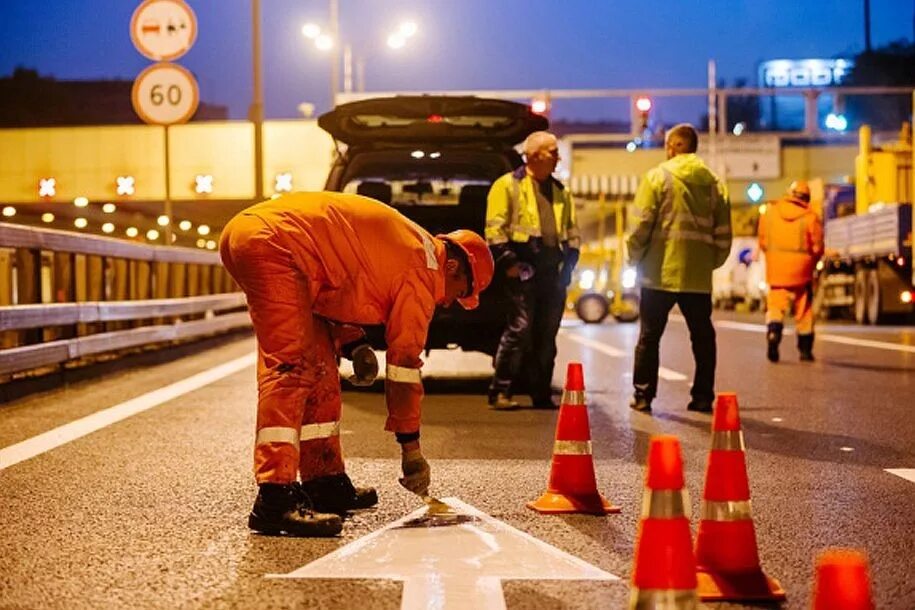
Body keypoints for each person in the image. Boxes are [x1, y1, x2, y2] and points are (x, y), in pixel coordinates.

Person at [219, 192, 494, 537]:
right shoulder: (424, 271)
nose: (451, 302)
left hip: (275, 240)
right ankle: (275, 499)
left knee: (320, 372)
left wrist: (353, 342)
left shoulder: (412, 248)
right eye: (460, 292)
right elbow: (404, 366)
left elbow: (337, 282)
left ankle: (324, 481)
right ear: (454, 267)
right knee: (291, 368)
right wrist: (411, 451)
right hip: (275, 243)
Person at [627, 123, 732, 414]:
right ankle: (702, 397)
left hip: (658, 272)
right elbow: (724, 233)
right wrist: (710, 262)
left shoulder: (656, 178)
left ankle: (643, 395)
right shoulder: (714, 183)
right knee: (702, 337)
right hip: (697, 276)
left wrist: (633, 257)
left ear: (673, 146)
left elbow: (641, 224)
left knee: (649, 336)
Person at [485, 131, 580, 410]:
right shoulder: (507, 186)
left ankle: (541, 393)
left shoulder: (560, 190)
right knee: (520, 329)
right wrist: (509, 263)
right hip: (523, 268)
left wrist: (569, 264)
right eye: (553, 151)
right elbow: (494, 229)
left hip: (552, 271)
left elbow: (572, 232)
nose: (557, 156)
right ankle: (500, 391)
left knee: (546, 335)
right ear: (535, 155)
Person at [758, 180, 824, 362]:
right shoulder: (811, 217)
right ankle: (804, 349)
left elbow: (763, 242)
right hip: (802, 272)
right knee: (803, 310)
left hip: (776, 270)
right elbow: (818, 247)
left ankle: (773, 332)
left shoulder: (770, 212)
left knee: (775, 307)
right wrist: (812, 262)